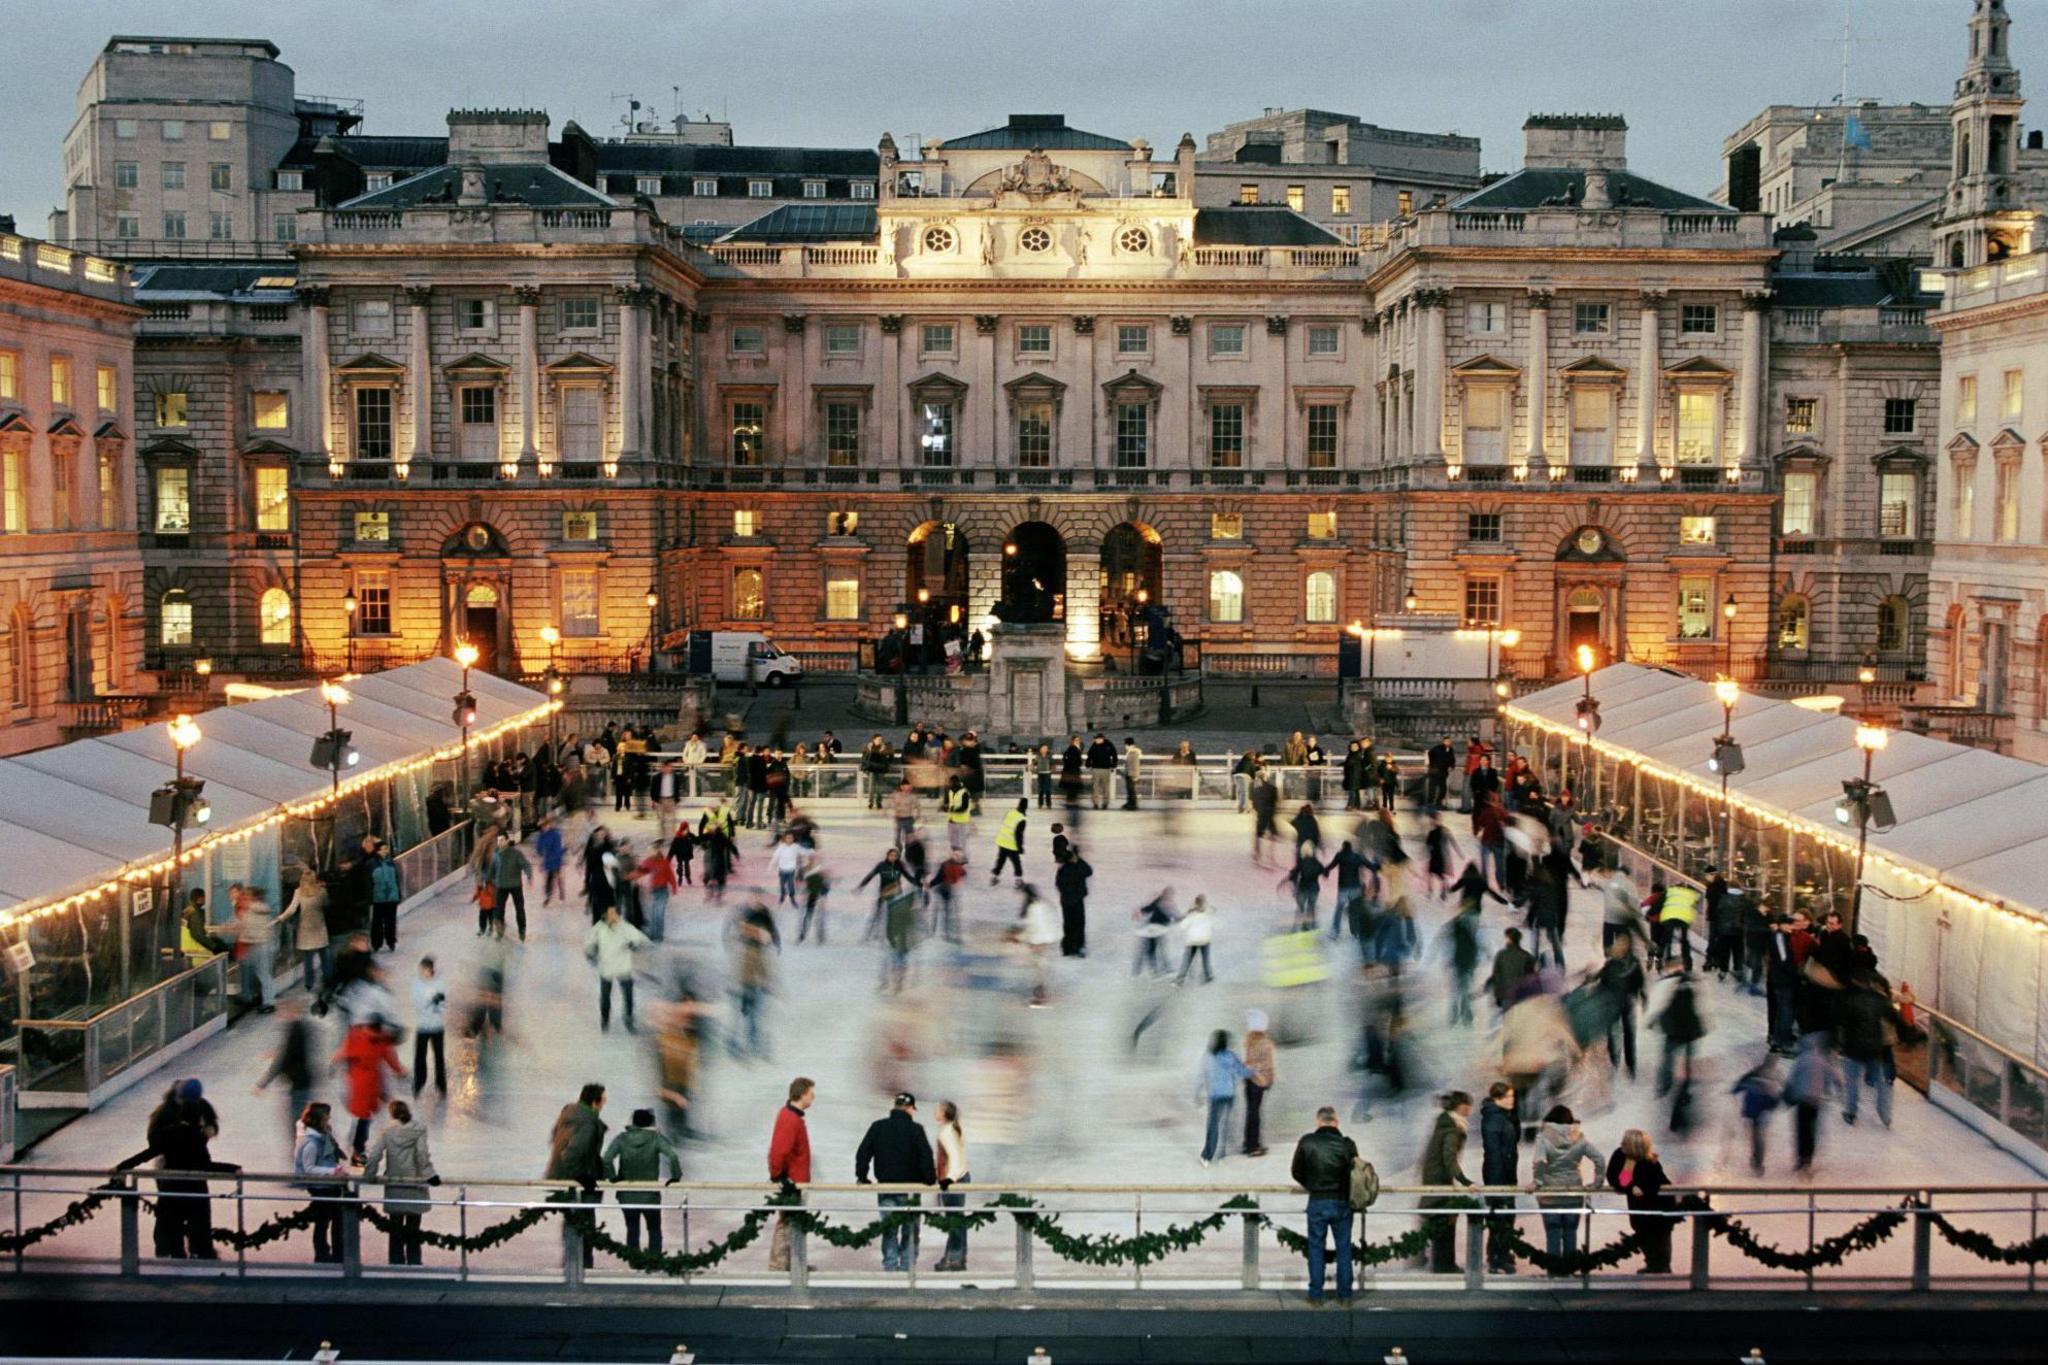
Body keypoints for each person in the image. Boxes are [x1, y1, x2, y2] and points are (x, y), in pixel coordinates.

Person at [145, 1078, 228, 1259]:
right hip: (168, 1165)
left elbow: (212, 1122)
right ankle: (169, 1248)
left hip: (193, 1162)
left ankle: (200, 1247)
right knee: (170, 1208)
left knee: (198, 1207)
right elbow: (153, 1141)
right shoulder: (164, 1112)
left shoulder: (200, 1104)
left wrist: (210, 1130)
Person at [855, 1092, 936, 1273]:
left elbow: (863, 1153)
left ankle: (891, 1266)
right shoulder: (916, 1129)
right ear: (909, 1108)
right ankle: (907, 1267)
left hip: (886, 1187)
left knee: (889, 1229)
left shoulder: (878, 1127)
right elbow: (926, 1157)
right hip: (911, 1188)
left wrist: (862, 1176)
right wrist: (929, 1179)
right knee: (910, 1229)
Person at [1291, 1105, 1360, 1304]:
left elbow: (1296, 1171)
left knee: (1315, 1247)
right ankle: (1345, 1295)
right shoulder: (1347, 1144)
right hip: (1342, 1202)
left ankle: (1316, 1295)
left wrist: (1312, 1185)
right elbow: (1355, 1174)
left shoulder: (1307, 1142)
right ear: (1336, 1122)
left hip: (1317, 1201)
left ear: (1318, 1121)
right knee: (1344, 1248)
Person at [363, 1098, 438, 1266]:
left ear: (392, 1114)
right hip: (415, 1182)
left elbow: (375, 1154)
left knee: (395, 1226)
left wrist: (369, 1175)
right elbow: (422, 1155)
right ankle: (414, 1261)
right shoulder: (418, 1130)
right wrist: (430, 1175)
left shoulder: (386, 1131)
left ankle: (395, 1261)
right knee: (414, 1227)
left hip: (395, 1182)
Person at [545, 1083, 609, 1270]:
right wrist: (583, 1177)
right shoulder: (588, 1122)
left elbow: (554, 1137)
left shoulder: (568, 1113)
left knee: (571, 1224)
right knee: (584, 1225)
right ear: (595, 1102)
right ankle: (582, 1270)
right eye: (603, 1101)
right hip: (579, 1184)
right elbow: (572, 1154)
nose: (604, 1104)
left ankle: (571, 1267)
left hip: (561, 1179)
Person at [606, 1108, 682, 1253]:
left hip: (627, 1195)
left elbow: (607, 1159)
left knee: (632, 1229)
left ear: (633, 1121)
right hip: (650, 1196)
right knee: (654, 1229)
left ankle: (634, 1263)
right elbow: (672, 1156)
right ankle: (654, 1261)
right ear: (650, 1122)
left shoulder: (622, 1138)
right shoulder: (655, 1138)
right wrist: (675, 1176)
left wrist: (613, 1178)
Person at [336, 1018, 405, 1161]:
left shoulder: (357, 1036)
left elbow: (344, 1054)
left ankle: (356, 1144)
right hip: (366, 1082)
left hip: (361, 1081)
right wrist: (400, 1072)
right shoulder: (380, 1040)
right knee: (364, 1116)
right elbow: (390, 1059)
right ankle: (358, 1148)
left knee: (363, 1116)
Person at [1420, 1092, 1475, 1273]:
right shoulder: (1452, 1128)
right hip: (1440, 1182)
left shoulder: (1446, 1123)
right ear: (1461, 1107)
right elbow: (1449, 1159)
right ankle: (1444, 1264)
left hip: (1438, 1179)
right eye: (1468, 1105)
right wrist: (1465, 1181)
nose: (1470, 1109)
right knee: (1444, 1222)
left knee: (1444, 1220)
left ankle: (1442, 1262)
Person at [1839, 971, 1902, 1129]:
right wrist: (1909, 1033)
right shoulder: (1881, 1001)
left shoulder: (1851, 999)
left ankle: (1851, 1112)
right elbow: (1896, 1018)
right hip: (1874, 1047)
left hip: (1853, 1047)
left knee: (1851, 1082)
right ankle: (1885, 1114)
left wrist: (1840, 1041)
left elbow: (1841, 1020)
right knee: (1881, 1082)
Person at [255, 998, 317, 1155]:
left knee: (297, 1122)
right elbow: (291, 1052)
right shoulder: (300, 1027)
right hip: (301, 1081)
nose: (279, 1015)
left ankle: (302, 1155)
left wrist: (262, 1083)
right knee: (301, 1120)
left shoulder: (296, 1029)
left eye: (282, 1011)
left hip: (299, 1083)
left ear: (291, 1011)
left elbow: (284, 1060)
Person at [1606, 1128, 1673, 1274]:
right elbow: (1617, 1180)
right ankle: (1654, 1264)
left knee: (1661, 1236)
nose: (1622, 1143)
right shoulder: (1620, 1156)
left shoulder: (1650, 1162)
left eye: (1626, 1142)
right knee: (1643, 1232)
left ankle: (1661, 1266)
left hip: (1657, 1206)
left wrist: (1643, 1189)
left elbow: (1661, 1182)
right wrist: (1631, 1185)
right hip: (1639, 1207)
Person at [294, 1101, 351, 1264]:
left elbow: (330, 1154)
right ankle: (322, 1254)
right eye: (327, 1117)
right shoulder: (311, 1142)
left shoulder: (323, 1136)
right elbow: (309, 1168)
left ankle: (338, 1253)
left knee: (336, 1219)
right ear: (319, 1120)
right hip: (321, 1187)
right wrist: (332, 1171)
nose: (329, 1120)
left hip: (331, 1185)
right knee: (323, 1221)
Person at [767, 1077, 815, 1272]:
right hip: (792, 1182)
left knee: (794, 1223)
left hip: (797, 1180)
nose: (813, 1098)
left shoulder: (792, 1116)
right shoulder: (790, 1118)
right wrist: (779, 1176)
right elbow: (779, 1150)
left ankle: (795, 1263)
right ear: (802, 1094)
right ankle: (778, 1265)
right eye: (811, 1094)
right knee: (787, 1223)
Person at [584, 904, 650, 1033]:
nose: (614, 916)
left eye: (615, 913)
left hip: (623, 967)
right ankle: (605, 1018)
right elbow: (588, 942)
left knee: (628, 996)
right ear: (605, 915)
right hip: (606, 967)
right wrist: (590, 953)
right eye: (611, 913)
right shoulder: (599, 928)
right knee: (605, 996)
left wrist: (634, 945)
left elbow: (640, 938)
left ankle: (629, 1019)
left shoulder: (624, 927)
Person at [1785, 1029, 1841, 1172]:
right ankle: (1808, 1158)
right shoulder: (1822, 1059)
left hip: (1802, 1099)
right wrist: (1833, 1088)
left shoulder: (1802, 1059)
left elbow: (1793, 1078)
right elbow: (1835, 1075)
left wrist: (1789, 1093)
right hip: (1815, 1100)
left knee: (1801, 1129)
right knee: (1811, 1129)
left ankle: (1801, 1158)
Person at [1196, 1030, 1255, 1167]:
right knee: (1225, 1125)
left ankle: (1207, 1156)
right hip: (1229, 1095)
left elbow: (1201, 1077)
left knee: (1213, 1126)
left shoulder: (1208, 1057)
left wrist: (1197, 1094)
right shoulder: (1232, 1056)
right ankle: (1221, 1155)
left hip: (1215, 1096)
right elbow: (1242, 1072)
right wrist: (1255, 1070)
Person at [1479, 1082, 1520, 1274]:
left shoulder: (1504, 1116)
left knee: (1506, 1216)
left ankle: (1501, 1253)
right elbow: (1494, 1155)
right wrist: (1496, 1188)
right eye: (1508, 1097)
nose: (1512, 1100)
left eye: (1513, 1096)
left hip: (1506, 1174)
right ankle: (1497, 1256)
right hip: (1499, 1176)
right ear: (1497, 1098)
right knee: (1501, 1216)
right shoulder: (1493, 1121)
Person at [1651, 971, 1706, 1098]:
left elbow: (1661, 1009)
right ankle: (1684, 1090)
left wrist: (1654, 1022)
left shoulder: (1670, 989)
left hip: (1674, 1033)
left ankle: (1664, 1086)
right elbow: (1699, 1011)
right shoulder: (1692, 990)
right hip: (1689, 1032)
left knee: (1667, 1060)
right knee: (1687, 1062)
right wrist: (1701, 1028)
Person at [933, 1100, 971, 1271]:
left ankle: (954, 1258)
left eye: (938, 1109)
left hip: (953, 1179)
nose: (935, 1111)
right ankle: (957, 1256)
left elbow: (955, 1157)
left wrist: (949, 1178)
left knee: (954, 1220)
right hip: (960, 1177)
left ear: (944, 1113)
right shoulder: (954, 1129)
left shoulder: (947, 1132)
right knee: (957, 1219)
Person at [1731, 1056, 1783, 1174]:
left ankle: (1756, 1162)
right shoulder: (1770, 1077)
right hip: (1761, 1112)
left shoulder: (1753, 1076)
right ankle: (1757, 1162)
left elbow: (1737, 1088)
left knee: (1756, 1137)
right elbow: (1777, 1096)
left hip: (1753, 1111)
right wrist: (1774, 1104)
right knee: (1758, 1138)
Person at [410, 956, 447, 1098]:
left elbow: (443, 1005)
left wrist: (438, 1005)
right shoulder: (416, 985)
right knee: (420, 1056)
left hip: (437, 1027)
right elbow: (417, 1005)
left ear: (431, 969)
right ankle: (419, 1082)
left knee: (439, 1057)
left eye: (426, 969)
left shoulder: (440, 984)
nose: (423, 972)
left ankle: (441, 1084)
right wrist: (429, 1004)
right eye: (422, 969)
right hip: (423, 1027)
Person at [289, 871, 331, 993]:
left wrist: (279, 918)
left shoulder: (298, 892)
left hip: (305, 929)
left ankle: (309, 983)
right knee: (325, 958)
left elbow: (292, 909)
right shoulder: (321, 891)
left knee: (308, 959)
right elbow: (327, 905)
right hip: (319, 928)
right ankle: (328, 982)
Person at [1242, 1011, 1276, 1157]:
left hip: (1249, 1080)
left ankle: (1248, 1143)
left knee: (1251, 1113)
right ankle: (1253, 1147)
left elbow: (1248, 1062)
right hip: (1259, 1081)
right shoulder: (1265, 1043)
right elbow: (1267, 1064)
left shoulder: (1248, 1040)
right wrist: (1268, 1079)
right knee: (1255, 1115)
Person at [491, 835, 533, 942]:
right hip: (500, 885)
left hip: (515, 885)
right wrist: (486, 879)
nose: (499, 842)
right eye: (498, 840)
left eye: (502, 840)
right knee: (498, 910)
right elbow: (492, 869)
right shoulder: (495, 854)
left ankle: (522, 931)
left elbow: (526, 865)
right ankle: (500, 931)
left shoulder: (516, 854)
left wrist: (529, 876)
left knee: (519, 909)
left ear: (507, 841)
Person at [1055, 846, 1093, 958]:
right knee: (1076, 925)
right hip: (1073, 901)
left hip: (1070, 901)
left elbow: (1089, 872)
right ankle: (1074, 948)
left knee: (1070, 925)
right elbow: (1088, 871)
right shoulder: (1072, 868)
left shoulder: (1065, 868)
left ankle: (1069, 948)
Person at [1488, 927, 1536, 1013]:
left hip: (1506, 996)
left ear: (1509, 939)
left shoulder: (1501, 955)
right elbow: (1531, 979)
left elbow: (1497, 977)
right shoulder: (1527, 956)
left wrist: (1498, 996)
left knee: (1508, 1021)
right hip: (1522, 997)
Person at [1175, 894, 1217, 985]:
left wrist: (1188, 911)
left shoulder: (1192, 915)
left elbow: (1182, 927)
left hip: (1192, 941)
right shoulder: (1208, 913)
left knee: (1187, 961)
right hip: (1205, 940)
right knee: (1206, 959)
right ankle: (1208, 976)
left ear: (1195, 903)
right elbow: (1213, 913)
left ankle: (1180, 980)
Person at [368, 843, 402, 951]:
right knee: (377, 921)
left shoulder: (391, 863)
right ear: (377, 851)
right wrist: (369, 896)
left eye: (386, 849)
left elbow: (396, 879)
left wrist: (398, 893)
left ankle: (391, 941)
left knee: (391, 920)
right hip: (378, 897)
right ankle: (377, 943)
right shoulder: (371, 864)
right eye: (383, 849)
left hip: (392, 896)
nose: (385, 851)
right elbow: (368, 881)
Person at [991, 798, 1029, 884]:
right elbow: (1019, 835)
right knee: (1016, 862)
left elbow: (1005, 824)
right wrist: (1020, 847)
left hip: (1002, 840)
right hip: (1011, 843)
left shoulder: (1010, 812)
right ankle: (1018, 879)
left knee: (1001, 860)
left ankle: (994, 877)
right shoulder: (1022, 819)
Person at [1086, 733, 1118, 809]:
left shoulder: (1109, 745)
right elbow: (1090, 755)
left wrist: (1113, 764)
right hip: (1096, 768)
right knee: (1095, 787)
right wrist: (1088, 762)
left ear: (1101, 739)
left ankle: (1105, 803)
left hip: (1105, 769)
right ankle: (1096, 803)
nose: (1095, 740)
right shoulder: (1095, 745)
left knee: (1105, 787)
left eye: (1096, 739)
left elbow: (1114, 755)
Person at [1122, 737, 1142, 810]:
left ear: (1128, 745)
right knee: (1130, 790)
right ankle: (1130, 803)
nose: (1125, 747)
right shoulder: (1131, 752)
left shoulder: (1133, 752)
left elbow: (1135, 764)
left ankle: (1132, 804)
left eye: (1125, 745)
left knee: (1132, 790)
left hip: (1131, 774)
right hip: (1129, 773)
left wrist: (1135, 775)